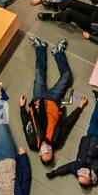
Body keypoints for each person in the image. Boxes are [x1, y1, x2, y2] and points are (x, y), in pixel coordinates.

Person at [20, 36, 85, 165]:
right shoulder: (56, 141)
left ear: (39, 154)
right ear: (52, 153)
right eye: (48, 153)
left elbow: (26, 123)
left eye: (43, 154)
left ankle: (40, 47)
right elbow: (67, 124)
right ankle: (58, 52)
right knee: (66, 76)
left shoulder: (33, 142)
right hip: (53, 101)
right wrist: (79, 107)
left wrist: (22, 107)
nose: (45, 151)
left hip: (37, 100)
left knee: (39, 73)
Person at [46, 90, 98, 186]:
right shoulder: (95, 168)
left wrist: (55, 172)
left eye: (80, 175)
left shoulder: (76, 168)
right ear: (90, 177)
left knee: (94, 118)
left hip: (88, 137)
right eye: (85, 175)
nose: (82, 173)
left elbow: (67, 168)